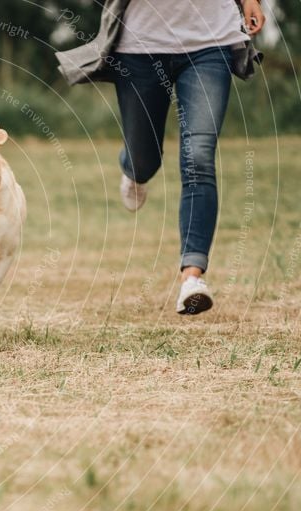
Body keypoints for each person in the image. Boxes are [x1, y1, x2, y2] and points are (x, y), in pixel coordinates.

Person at [56, 0, 264, 315]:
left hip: (211, 41)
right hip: (140, 45)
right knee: (144, 159)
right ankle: (134, 170)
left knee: (199, 157)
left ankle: (192, 278)